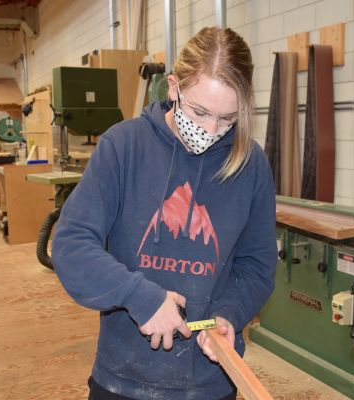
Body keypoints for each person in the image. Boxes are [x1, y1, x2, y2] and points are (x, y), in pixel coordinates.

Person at [52, 26, 277, 400]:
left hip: (209, 382)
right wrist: (140, 296)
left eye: (227, 119)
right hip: (123, 377)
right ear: (173, 87)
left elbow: (256, 265)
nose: (210, 130)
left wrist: (229, 315)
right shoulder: (123, 147)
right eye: (200, 111)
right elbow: (72, 245)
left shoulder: (250, 165)